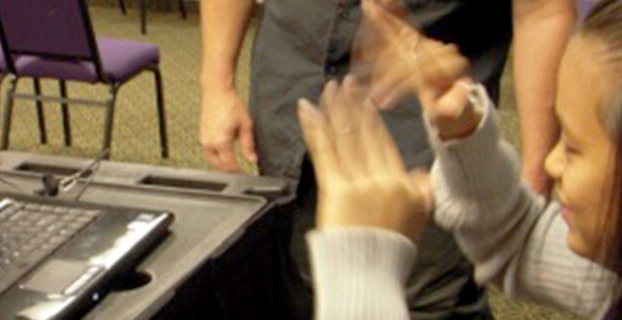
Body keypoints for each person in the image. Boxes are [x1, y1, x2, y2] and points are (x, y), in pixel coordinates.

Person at [199, 0, 576, 317]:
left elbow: (541, 10)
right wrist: (216, 82)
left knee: (423, 300)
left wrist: (535, 172)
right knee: (297, 284)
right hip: (289, 97)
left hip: (428, 123)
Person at [302, 0, 622, 318]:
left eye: (572, 147)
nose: (553, 165)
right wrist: (464, 135)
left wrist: (362, 271)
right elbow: (519, 243)